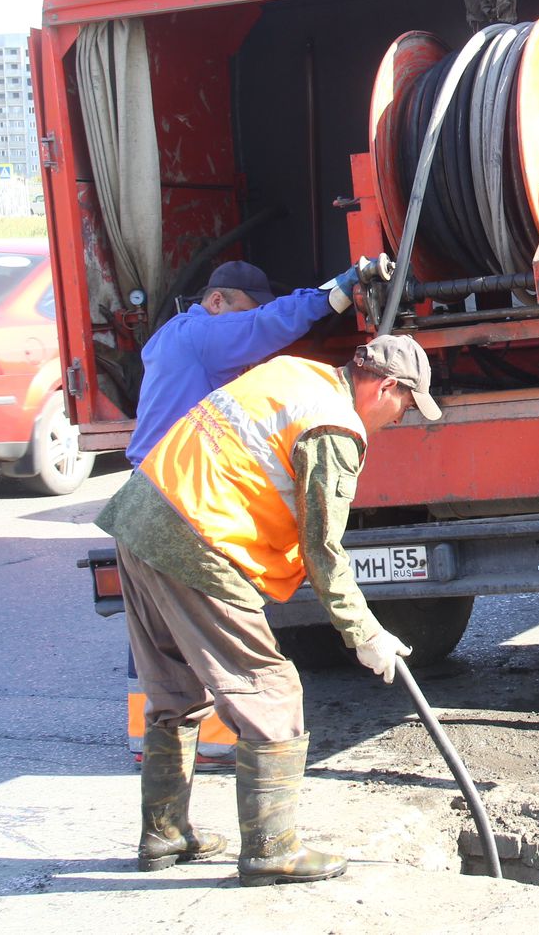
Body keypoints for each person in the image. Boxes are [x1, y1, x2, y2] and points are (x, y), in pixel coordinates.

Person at [95, 334, 443, 886]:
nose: (400, 417)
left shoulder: (292, 373)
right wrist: (365, 632)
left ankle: (164, 832)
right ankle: (271, 849)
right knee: (271, 688)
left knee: (175, 687)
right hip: (198, 538)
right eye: (405, 404)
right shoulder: (334, 428)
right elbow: (322, 548)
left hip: (141, 516)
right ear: (385, 386)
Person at [125, 258, 365, 466]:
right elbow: (262, 325)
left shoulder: (174, 334)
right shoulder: (201, 336)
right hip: (171, 472)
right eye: (243, 313)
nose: (245, 322)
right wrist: (330, 295)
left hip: (156, 468)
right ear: (217, 301)